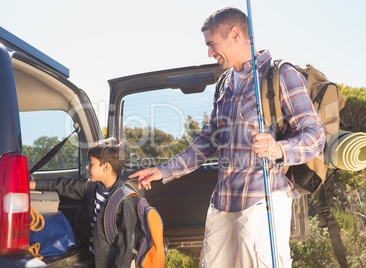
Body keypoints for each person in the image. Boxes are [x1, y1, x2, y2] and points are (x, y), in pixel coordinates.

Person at [130, 6, 325, 268]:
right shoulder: (225, 84)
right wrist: (164, 171)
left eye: (212, 44)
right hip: (222, 203)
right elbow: (207, 141)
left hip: (261, 201)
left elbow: (315, 136)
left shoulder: (281, 75)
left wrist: (278, 148)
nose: (209, 53)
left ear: (235, 34)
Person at [30, 138, 136, 268]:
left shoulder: (123, 201)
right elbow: (65, 185)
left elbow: (125, 248)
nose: (87, 167)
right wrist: (32, 184)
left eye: (91, 164)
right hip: (92, 258)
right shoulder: (92, 188)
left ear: (106, 167)